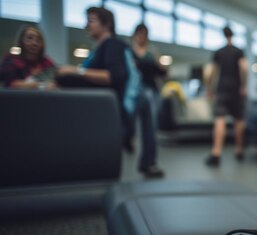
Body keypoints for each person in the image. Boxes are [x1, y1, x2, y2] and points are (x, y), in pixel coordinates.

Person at [56, 7, 163, 177]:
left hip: (131, 95)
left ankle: (146, 160)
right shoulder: (100, 50)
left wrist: (74, 71)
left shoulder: (113, 45)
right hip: (123, 99)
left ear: (106, 24)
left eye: (92, 21)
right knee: (139, 125)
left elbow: (113, 76)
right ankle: (143, 157)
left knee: (144, 123)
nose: (87, 25)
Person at [205, 26, 248, 166]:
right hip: (236, 88)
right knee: (239, 119)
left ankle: (216, 153)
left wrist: (209, 88)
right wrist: (244, 85)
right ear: (232, 35)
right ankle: (239, 150)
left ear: (223, 35)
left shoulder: (219, 52)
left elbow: (211, 72)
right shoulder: (238, 51)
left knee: (220, 119)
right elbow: (244, 68)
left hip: (222, 88)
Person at [126, 23, 168, 153]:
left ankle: (149, 157)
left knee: (151, 124)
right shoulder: (128, 51)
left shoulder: (152, 51)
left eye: (144, 34)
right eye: (139, 34)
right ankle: (129, 139)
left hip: (150, 89)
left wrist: (159, 66)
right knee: (129, 119)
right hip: (132, 89)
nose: (141, 37)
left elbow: (163, 72)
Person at [0, 25, 56, 89]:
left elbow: (55, 83)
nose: (34, 43)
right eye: (29, 38)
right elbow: (10, 84)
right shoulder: (11, 59)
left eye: (38, 40)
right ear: (21, 41)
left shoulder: (46, 62)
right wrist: (41, 85)